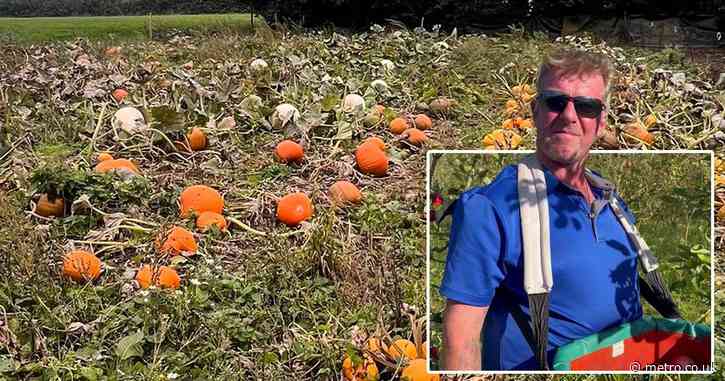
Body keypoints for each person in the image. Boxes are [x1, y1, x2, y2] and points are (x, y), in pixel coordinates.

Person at [439, 49, 644, 370]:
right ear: (535, 111)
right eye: (555, 102)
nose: (569, 116)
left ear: (601, 122)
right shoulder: (490, 208)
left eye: (587, 107)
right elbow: (460, 342)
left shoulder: (612, 200)